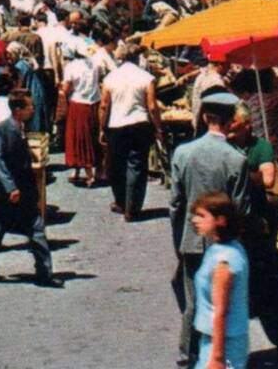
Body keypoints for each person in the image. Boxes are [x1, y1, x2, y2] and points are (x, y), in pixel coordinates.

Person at [169, 90, 249, 368]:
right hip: (223, 243)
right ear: (230, 121)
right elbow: (240, 208)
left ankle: (187, 352)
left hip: (191, 238)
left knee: (194, 298)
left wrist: (179, 238)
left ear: (204, 117)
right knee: (222, 302)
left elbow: (175, 203)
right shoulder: (236, 159)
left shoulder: (183, 152)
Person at [228, 104, 278, 366]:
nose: (230, 130)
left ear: (247, 125)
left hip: (255, 228)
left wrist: (238, 171)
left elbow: (269, 179)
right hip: (229, 230)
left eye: (235, 126)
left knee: (268, 291)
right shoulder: (222, 145)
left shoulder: (260, 148)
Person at [0, 90, 61, 287]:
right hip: (6, 192)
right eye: (29, 106)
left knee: (37, 230)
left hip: (23, 192)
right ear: (18, 109)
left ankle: (44, 272)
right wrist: (10, 187)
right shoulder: (2, 130)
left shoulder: (22, 128)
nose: (33, 109)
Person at [99, 43, 162, 221]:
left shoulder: (111, 77)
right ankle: (132, 208)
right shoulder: (146, 77)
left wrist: (102, 128)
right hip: (140, 124)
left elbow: (104, 106)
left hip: (116, 125)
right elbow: (152, 106)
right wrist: (158, 127)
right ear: (137, 58)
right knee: (137, 165)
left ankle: (120, 201)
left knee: (117, 165)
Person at [190, 192, 251, 369]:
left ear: (221, 220)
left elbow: (221, 311)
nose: (195, 220)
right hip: (217, 338)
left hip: (224, 343)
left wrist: (217, 358)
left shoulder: (224, 260)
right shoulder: (226, 248)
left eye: (202, 216)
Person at [61, 46, 101, 187]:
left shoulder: (71, 67)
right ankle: (80, 171)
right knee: (90, 136)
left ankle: (88, 174)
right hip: (93, 103)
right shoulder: (95, 65)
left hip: (77, 103)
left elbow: (66, 88)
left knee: (78, 138)